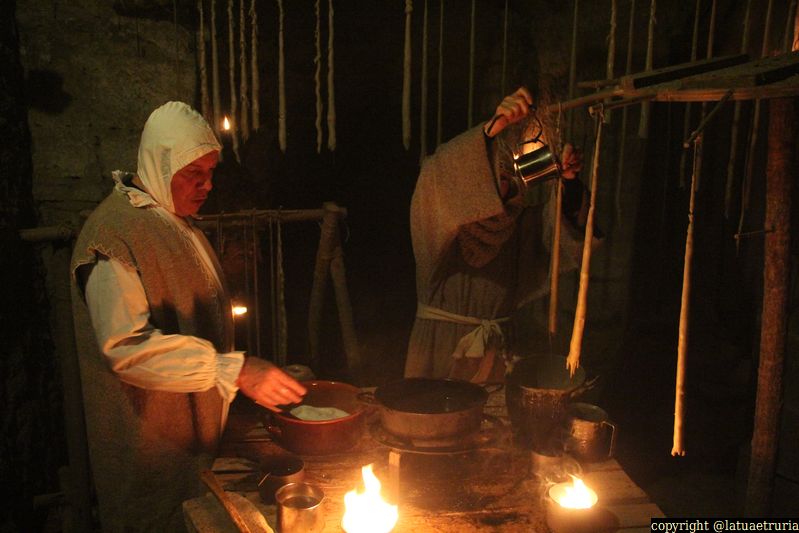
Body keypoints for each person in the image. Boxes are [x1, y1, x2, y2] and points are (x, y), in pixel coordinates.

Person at [70, 101, 307, 532]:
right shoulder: (113, 235)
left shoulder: (173, 219)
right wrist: (233, 370)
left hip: (191, 436)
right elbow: (125, 348)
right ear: (159, 165)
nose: (207, 185)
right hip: (148, 448)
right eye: (194, 174)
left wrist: (243, 374)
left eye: (211, 172)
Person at [405, 87, 596, 383]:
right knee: (431, 410)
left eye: (507, 174)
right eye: (491, 171)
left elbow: (557, 237)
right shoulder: (437, 216)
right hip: (439, 350)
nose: (501, 180)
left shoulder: (516, 222)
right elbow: (437, 172)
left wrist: (569, 184)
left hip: (497, 351)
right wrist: (492, 129)